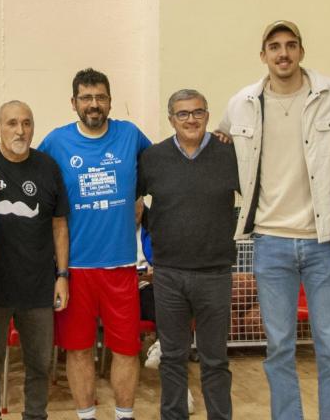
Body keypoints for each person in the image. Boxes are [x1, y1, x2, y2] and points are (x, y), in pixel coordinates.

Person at [218, 21, 330, 420]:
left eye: (291, 45)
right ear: (263, 55)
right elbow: (222, 139)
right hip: (269, 242)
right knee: (279, 347)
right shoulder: (242, 102)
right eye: (274, 46)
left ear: (301, 51)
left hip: (322, 242)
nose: (283, 53)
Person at [38, 68, 151, 420]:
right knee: (78, 350)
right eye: (86, 98)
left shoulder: (130, 135)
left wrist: (139, 198)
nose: (94, 104)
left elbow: (161, 166)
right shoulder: (56, 142)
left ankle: (124, 415)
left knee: (127, 350)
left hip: (120, 266)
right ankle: (86, 415)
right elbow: (25, 170)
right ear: (73, 103)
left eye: (100, 97)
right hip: (75, 268)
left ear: (110, 101)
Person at [138, 89, 239, 420]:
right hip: (168, 275)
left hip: (215, 274)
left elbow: (256, 195)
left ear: (208, 116)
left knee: (215, 360)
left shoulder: (230, 154)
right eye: (182, 114)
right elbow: (135, 205)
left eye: (198, 112)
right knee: (172, 358)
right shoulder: (153, 158)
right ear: (171, 120)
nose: (191, 119)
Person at [0, 100, 70, 420]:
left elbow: (59, 225)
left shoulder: (48, 167)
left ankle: (35, 416)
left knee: (39, 367)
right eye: (12, 123)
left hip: (37, 288)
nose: (21, 130)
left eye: (27, 123)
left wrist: (62, 276)